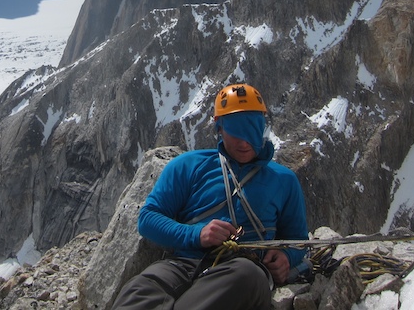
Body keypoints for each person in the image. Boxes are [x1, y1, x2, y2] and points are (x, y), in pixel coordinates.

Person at [111, 83, 309, 310]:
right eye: (236, 132)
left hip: (241, 267)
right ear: (220, 128)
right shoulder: (188, 166)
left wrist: (286, 257)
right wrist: (197, 234)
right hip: (183, 264)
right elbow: (148, 219)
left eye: (252, 131)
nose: (244, 142)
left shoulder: (284, 180)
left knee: (246, 276)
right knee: (140, 290)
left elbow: (298, 239)